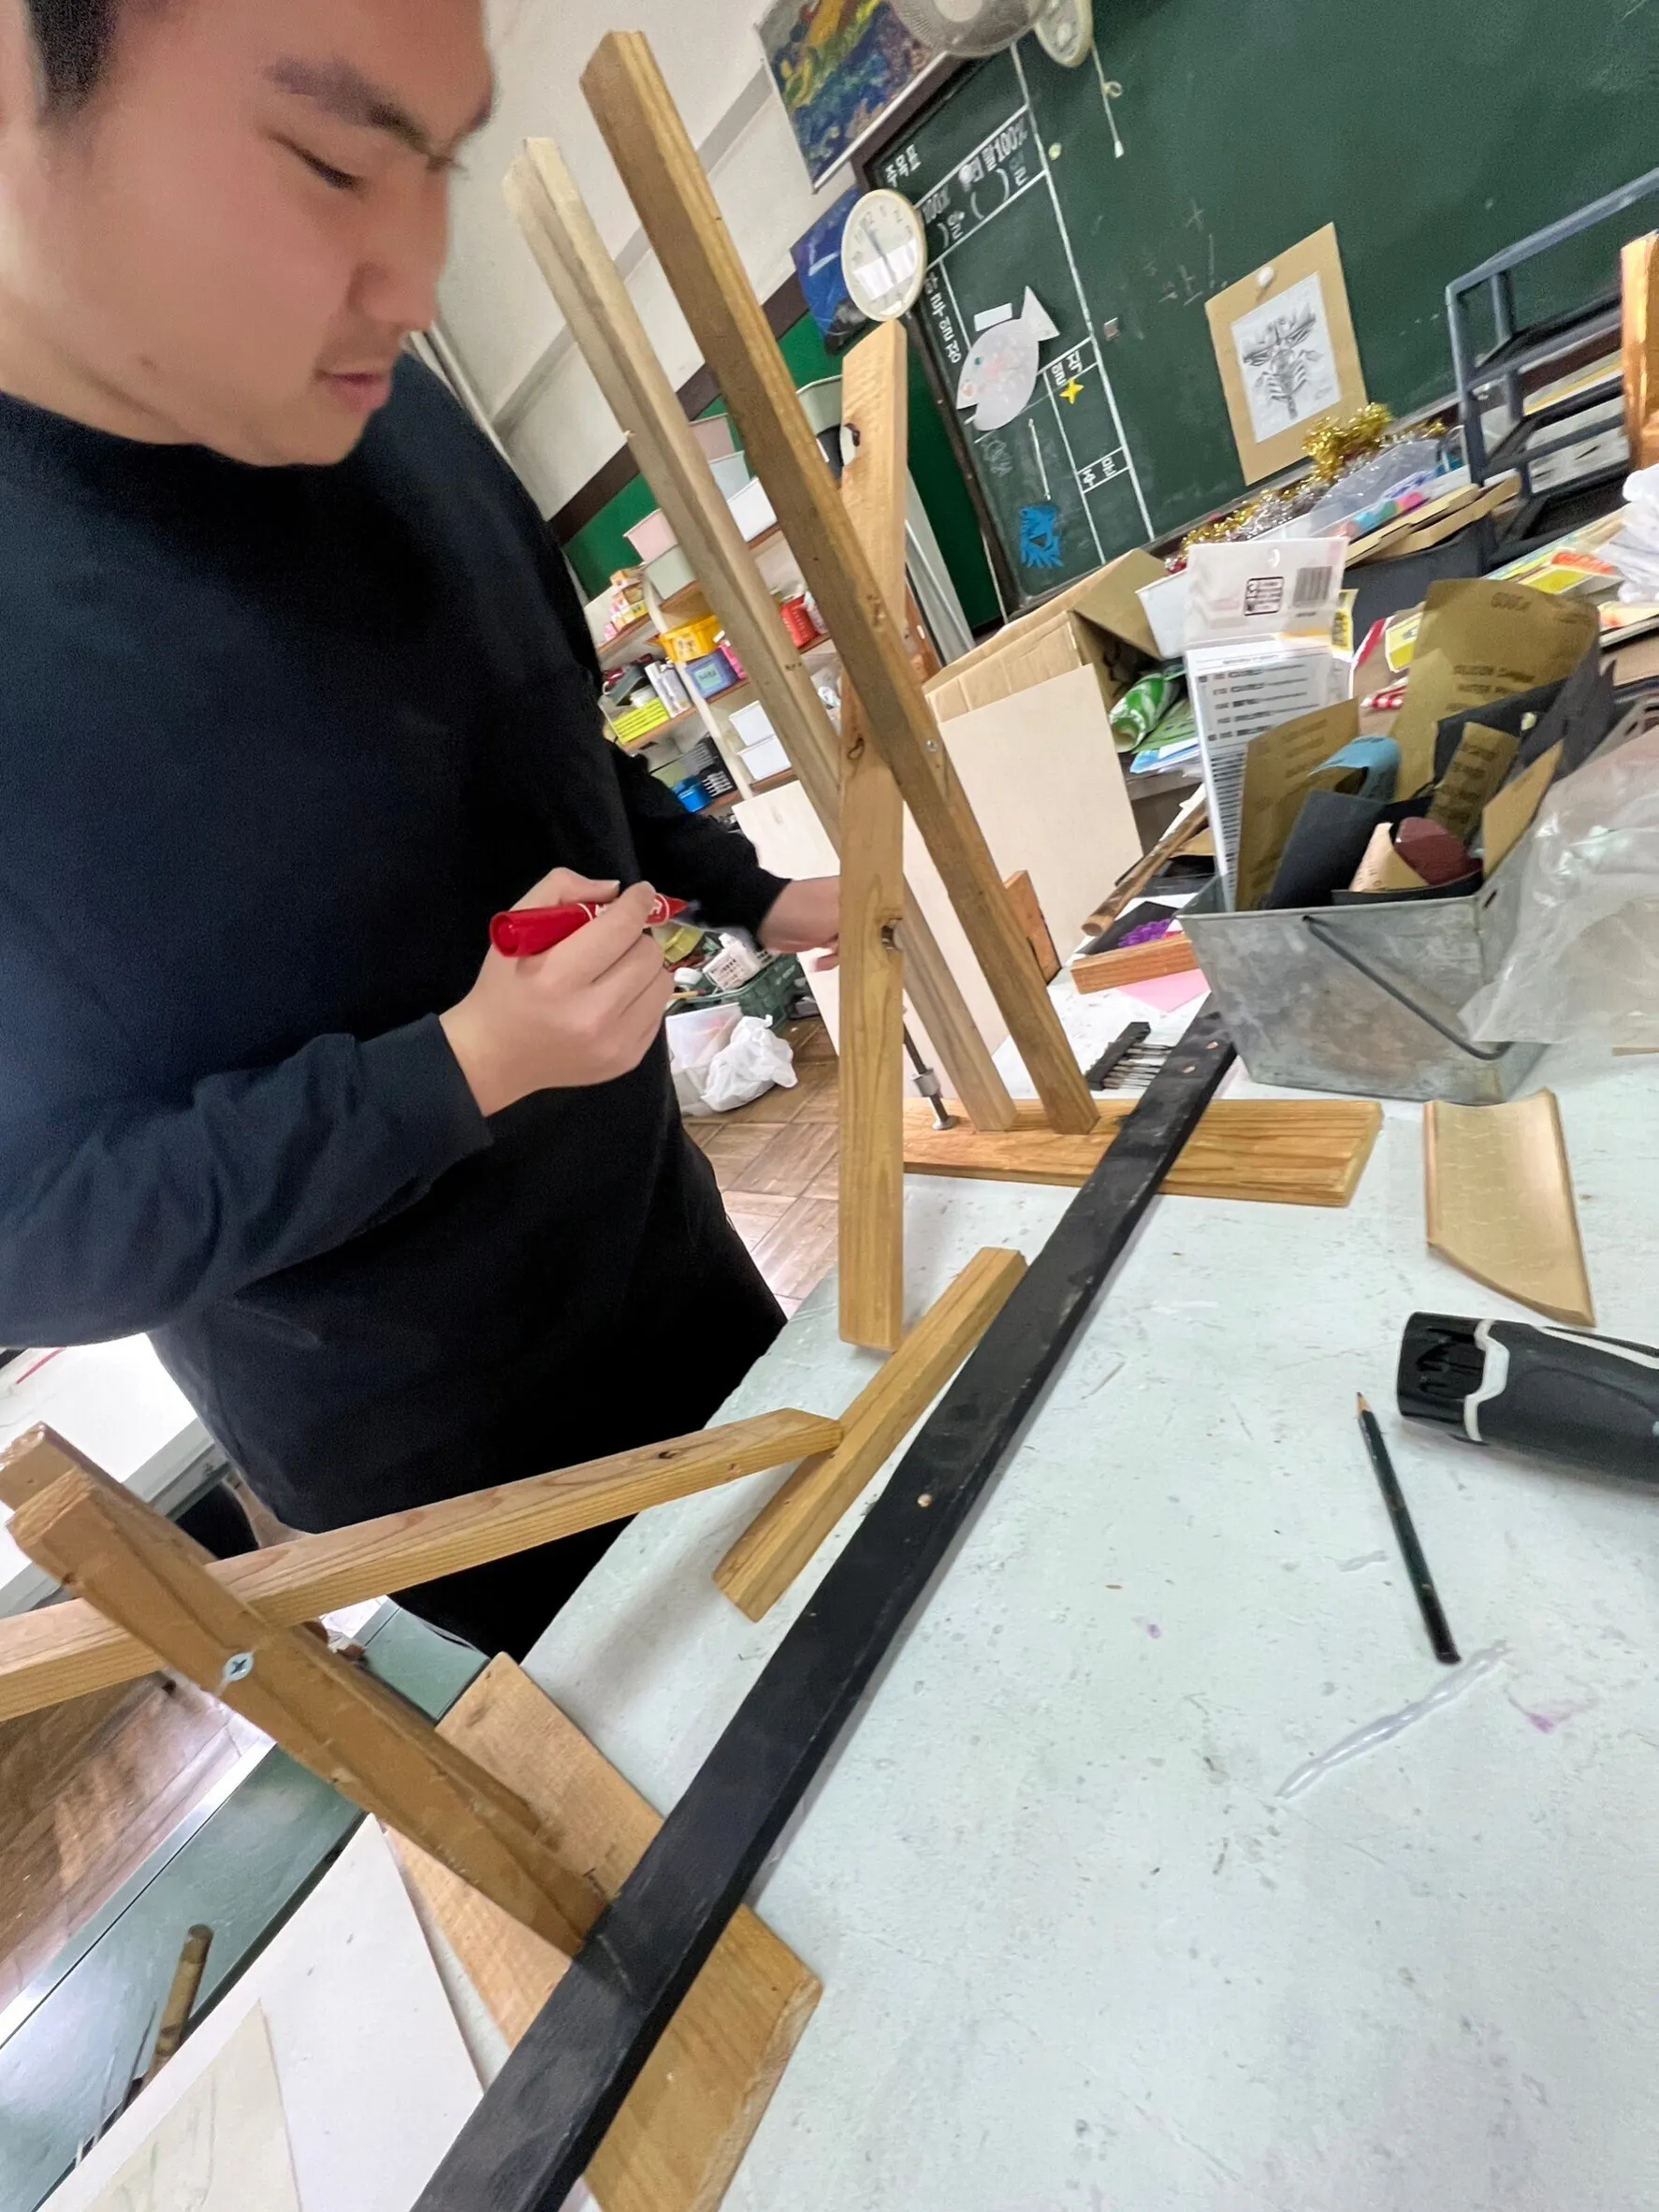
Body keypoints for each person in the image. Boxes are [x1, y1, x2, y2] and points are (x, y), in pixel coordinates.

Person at [0, 0, 839, 1658]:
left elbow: (527, 727)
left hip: (668, 1256)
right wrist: (461, 1065)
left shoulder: (380, 392)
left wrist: (746, 888)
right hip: (444, 1450)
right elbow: (38, 1233)